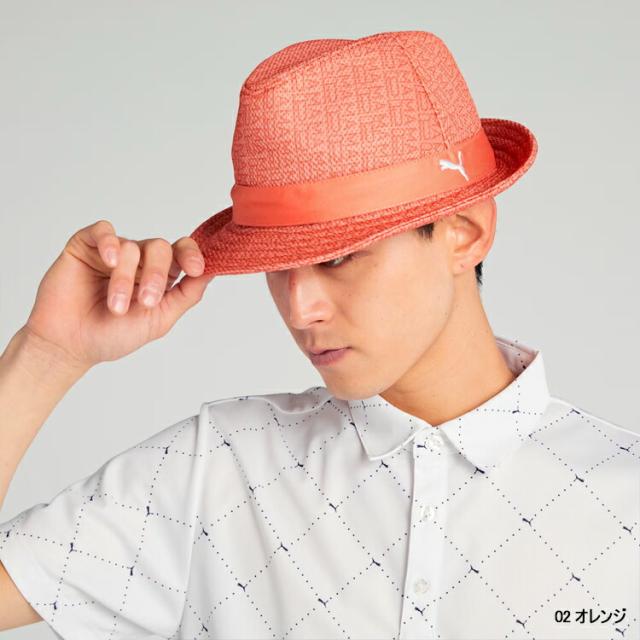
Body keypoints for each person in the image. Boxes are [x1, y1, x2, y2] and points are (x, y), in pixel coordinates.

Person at [1, 30, 638, 640]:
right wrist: (47, 355)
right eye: (277, 267)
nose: (299, 309)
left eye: (337, 258)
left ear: (464, 234)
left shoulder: (624, 501)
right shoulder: (216, 470)